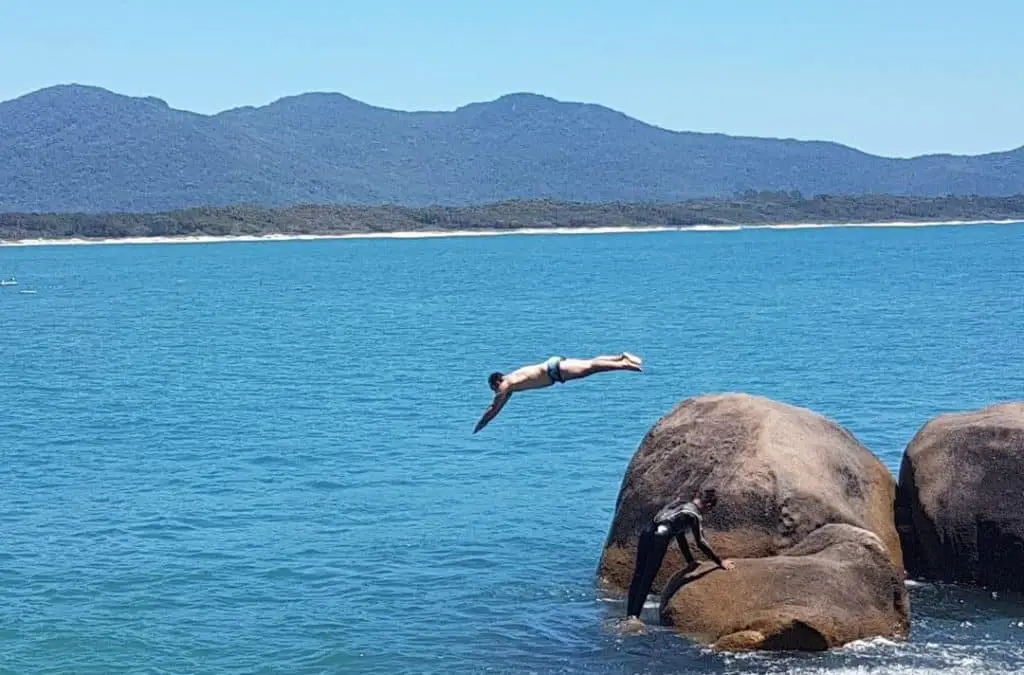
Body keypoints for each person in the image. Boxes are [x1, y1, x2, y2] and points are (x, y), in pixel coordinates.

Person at [624, 488, 734, 620]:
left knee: (639, 574)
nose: (707, 513)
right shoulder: (694, 515)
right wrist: (720, 562)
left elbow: (679, 535)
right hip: (660, 538)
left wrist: (690, 562)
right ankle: (634, 617)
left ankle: (630, 614)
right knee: (647, 577)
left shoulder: (679, 503)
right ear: (708, 505)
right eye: (709, 510)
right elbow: (701, 543)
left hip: (646, 533)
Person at [472, 352, 643, 433]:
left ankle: (623, 364)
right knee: (590, 365)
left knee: (590, 368)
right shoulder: (512, 382)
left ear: (496, 382)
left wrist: (481, 424)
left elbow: (493, 408)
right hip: (554, 368)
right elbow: (498, 406)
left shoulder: (505, 384)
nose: (496, 392)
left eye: (494, 389)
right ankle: (621, 358)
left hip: (554, 370)